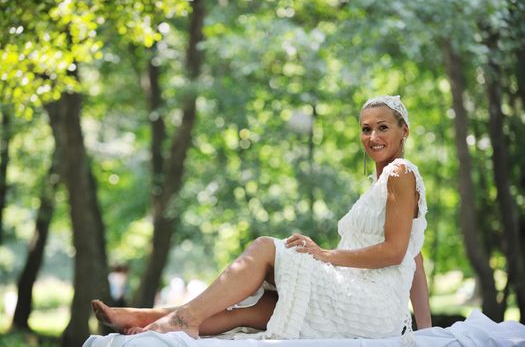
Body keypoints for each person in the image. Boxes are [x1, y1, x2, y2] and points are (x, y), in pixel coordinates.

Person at [92, 95, 432, 340]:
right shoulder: (382, 183)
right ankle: (148, 321)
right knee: (259, 307)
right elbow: (415, 257)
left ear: (405, 131)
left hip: (371, 305)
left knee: (267, 249)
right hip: (374, 306)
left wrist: (324, 255)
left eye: (383, 128)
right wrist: (427, 331)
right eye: (366, 129)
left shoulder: (400, 173)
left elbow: (396, 252)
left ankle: (181, 319)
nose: (373, 137)